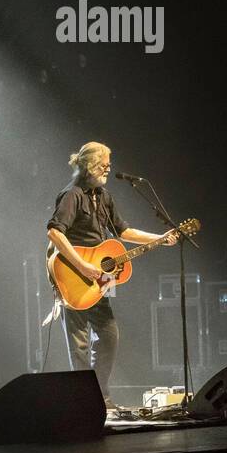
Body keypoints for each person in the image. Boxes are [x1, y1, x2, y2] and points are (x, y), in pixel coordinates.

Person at [45, 142, 178, 410]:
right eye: (104, 163)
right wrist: (83, 266)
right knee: (79, 342)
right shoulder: (72, 195)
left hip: (98, 279)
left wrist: (160, 238)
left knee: (108, 334)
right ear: (89, 165)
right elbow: (54, 232)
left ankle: (99, 395)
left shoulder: (103, 196)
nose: (108, 167)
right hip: (73, 273)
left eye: (109, 163)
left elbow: (123, 232)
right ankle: (87, 402)